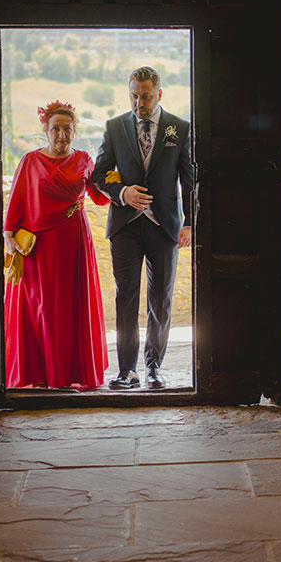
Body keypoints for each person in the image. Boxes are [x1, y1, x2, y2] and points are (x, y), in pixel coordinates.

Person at [93, 66, 194, 390]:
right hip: (125, 227)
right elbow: (101, 173)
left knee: (160, 301)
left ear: (159, 94)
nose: (139, 102)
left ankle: (154, 369)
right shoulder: (114, 127)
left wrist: (189, 223)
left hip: (164, 227)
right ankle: (127, 371)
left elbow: (190, 181)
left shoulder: (179, 128)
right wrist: (122, 191)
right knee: (126, 299)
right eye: (134, 96)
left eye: (146, 96)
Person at [3, 101, 110, 390]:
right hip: (39, 247)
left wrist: (117, 179)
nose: (61, 135)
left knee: (70, 310)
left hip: (74, 244)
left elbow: (99, 197)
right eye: (55, 129)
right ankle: (42, 375)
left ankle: (68, 374)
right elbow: (16, 204)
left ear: (74, 131)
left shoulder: (85, 160)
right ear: (45, 130)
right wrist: (9, 236)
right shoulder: (29, 161)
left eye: (67, 129)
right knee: (40, 310)